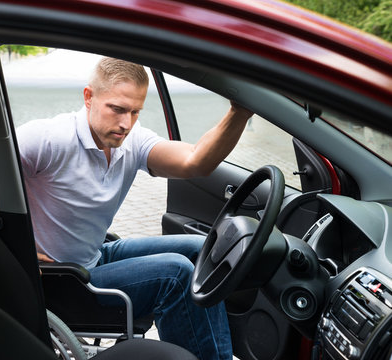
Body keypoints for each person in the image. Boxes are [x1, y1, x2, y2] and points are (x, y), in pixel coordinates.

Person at [17, 57, 253, 360]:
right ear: (89, 97)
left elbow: (196, 161)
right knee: (176, 275)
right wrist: (15, 250)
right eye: (116, 109)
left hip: (94, 257)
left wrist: (240, 112)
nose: (126, 123)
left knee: (201, 248)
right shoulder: (46, 139)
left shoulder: (132, 141)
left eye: (135, 112)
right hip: (60, 282)